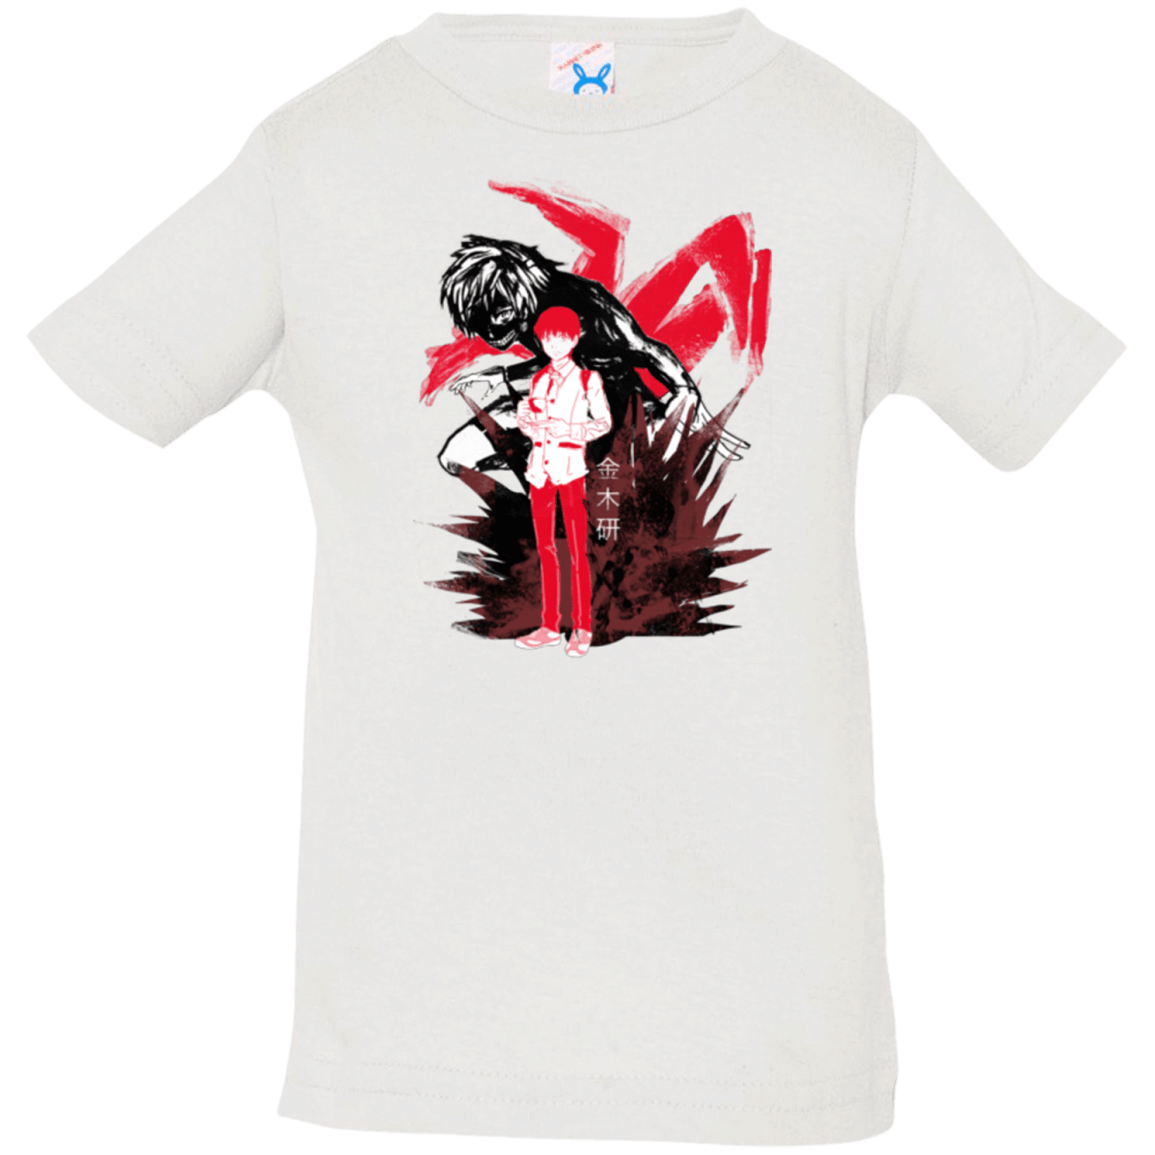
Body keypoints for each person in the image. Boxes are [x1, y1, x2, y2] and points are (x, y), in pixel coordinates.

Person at [513, 306, 611, 657]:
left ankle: (582, 628)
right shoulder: (539, 379)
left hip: (570, 472)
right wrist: (525, 421)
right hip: (539, 471)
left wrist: (568, 430)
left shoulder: (587, 379)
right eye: (547, 338)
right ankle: (549, 626)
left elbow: (603, 423)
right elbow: (533, 425)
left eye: (561, 338)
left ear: (573, 339)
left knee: (577, 550)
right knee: (545, 549)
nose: (554, 344)